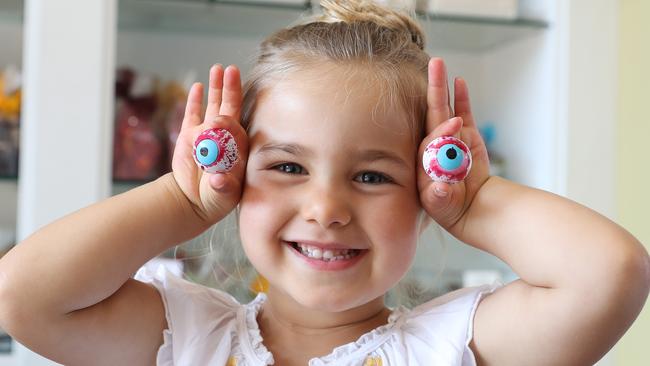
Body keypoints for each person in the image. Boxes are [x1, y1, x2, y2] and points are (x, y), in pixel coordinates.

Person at [0, 1, 648, 365]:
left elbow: (610, 273)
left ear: (424, 197)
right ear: (236, 176)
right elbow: (24, 295)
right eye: (287, 167)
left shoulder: (450, 351)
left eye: (371, 175)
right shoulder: (189, 339)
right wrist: (177, 201)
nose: (326, 208)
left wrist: (476, 201)